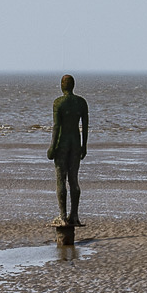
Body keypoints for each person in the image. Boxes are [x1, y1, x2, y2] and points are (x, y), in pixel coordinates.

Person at [48, 74, 88, 226]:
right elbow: (84, 127)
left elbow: (57, 127)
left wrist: (52, 147)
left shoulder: (58, 103)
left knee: (61, 180)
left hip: (62, 144)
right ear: (73, 86)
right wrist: (84, 146)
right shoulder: (81, 102)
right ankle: (75, 215)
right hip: (76, 143)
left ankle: (63, 216)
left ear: (62, 86)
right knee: (73, 180)